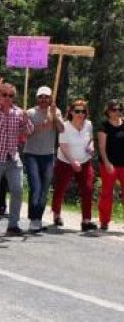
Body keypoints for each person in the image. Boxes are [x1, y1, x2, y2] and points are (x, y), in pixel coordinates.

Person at [0, 73, 34, 236]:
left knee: (17, 190)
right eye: (4, 95)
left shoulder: (18, 113)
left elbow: (29, 131)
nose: (7, 98)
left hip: (12, 158)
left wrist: (26, 120)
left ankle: (13, 224)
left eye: (10, 95)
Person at [52, 99, 98, 232]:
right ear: (71, 112)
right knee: (60, 189)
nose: (80, 114)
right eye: (77, 111)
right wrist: (72, 161)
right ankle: (56, 214)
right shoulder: (64, 126)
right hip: (65, 162)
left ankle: (86, 220)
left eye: (83, 111)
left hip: (85, 161)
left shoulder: (88, 124)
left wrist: (91, 146)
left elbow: (91, 139)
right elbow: (63, 145)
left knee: (88, 189)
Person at [23, 86, 64, 233]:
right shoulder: (29, 112)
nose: (43, 100)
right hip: (31, 154)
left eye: (46, 97)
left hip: (48, 155)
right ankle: (33, 219)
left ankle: (38, 219)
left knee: (45, 189)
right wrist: (41, 126)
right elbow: (25, 133)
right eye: (41, 97)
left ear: (50, 98)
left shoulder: (55, 111)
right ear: (37, 98)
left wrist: (55, 116)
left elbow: (61, 129)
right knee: (36, 187)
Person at [98, 100, 124, 231]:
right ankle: (104, 221)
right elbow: (102, 148)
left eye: (120, 109)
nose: (117, 112)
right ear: (108, 111)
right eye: (114, 110)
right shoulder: (104, 126)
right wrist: (107, 163)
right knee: (107, 193)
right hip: (109, 164)